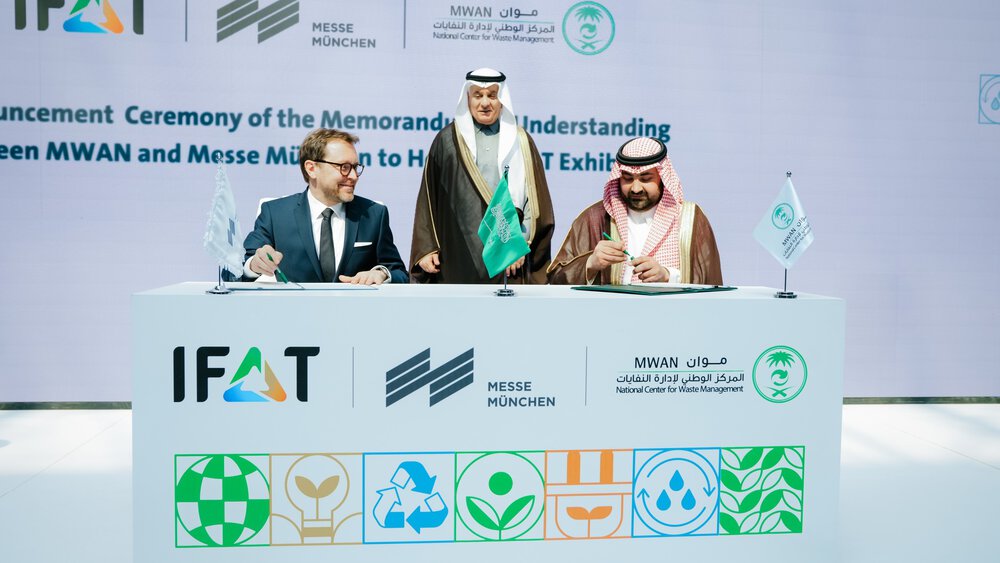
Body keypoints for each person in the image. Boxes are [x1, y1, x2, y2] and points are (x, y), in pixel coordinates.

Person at [410, 68, 555, 284]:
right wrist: (426, 248)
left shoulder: (521, 141)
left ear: (501, 100)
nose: (485, 103)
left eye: (492, 96)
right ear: (467, 98)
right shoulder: (447, 141)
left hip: (508, 252)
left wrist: (518, 245)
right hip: (458, 249)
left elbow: (534, 202)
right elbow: (429, 198)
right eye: (478, 95)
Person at [547, 137, 722, 285]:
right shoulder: (596, 217)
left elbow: (711, 282)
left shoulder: (690, 219)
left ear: (662, 178)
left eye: (646, 179)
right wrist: (590, 263)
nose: (636, 188)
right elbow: (554, 279)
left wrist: (668, 276)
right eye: (628, 179)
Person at [241, 128, 407, 284]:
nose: (354, 176)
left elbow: (399, 272)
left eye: (356, 167)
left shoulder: (373, 214)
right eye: (344, 167)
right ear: (312, 168)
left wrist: (382, 273)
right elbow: (238, 269)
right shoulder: (275, 213)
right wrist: (255, 265)